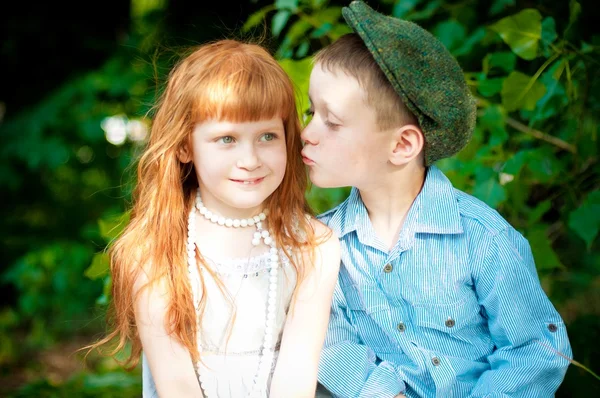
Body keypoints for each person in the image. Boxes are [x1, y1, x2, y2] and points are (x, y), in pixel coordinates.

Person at [301, 1, 572, 397]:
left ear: (403, 144)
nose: (307, 132)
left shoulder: (482, 238)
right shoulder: (323, 243)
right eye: (310, 112)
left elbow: (535, 349)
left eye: (332, 121)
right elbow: (329, 341)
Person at [88, 39, 340, 398]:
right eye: (227, 139)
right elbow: (176, 383)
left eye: (268, 135)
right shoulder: (154, 250)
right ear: (184, 146)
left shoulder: (313, 246)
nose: (250, 158)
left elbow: (298, 373)